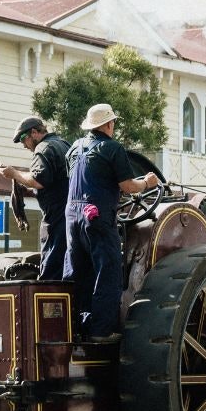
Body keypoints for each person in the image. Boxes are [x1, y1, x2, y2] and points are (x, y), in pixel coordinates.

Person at [63, 104, 160, 340]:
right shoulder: (112, 148)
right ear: (108, 124)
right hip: (96, 216)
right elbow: (128, 186)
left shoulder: (75, 147)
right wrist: (147, 183)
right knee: (107, 272)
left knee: (77, 271)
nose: (114, 126)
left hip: (71, 217)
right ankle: (101, 332)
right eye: (113, 122)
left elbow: (80, 177)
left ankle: (74, 327)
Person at [0, 116, 71, 281]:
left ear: (34, 132)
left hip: (56, 219)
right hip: (70, 216)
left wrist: (14, 174)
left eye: (24, 139)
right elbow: (54, 183)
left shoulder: (43, 148)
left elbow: (38, 180)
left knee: (51, 271)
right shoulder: (64, 144)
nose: (24, 145)